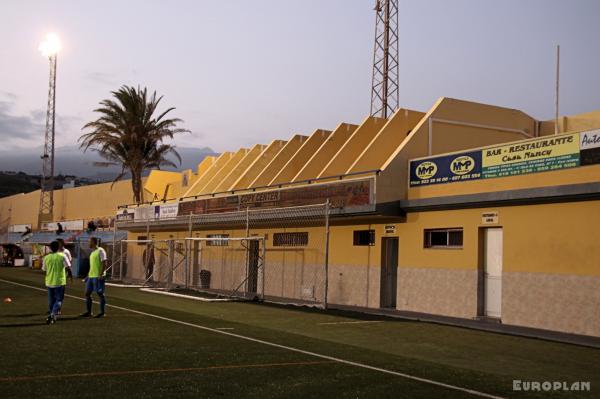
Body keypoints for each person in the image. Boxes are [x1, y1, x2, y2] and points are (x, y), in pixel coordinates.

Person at [42, 240, 71, 324]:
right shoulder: (62, 256)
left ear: (50, 248)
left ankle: (52, 316)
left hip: (49, 281)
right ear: (58, 247)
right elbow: (68, 267)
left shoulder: (46, 257)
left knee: (51, 300)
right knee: (59, 300)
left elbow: (44, 269)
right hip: (60, 282)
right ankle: (52, 314)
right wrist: (70, 276)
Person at [81, 237, 107, 318]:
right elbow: (92, 266)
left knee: (100, 293)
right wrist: (87, 277)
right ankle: (89, 312)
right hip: (91, 276)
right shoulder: (92, 253)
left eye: (89, 241)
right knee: (87, 293)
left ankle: (102, 312)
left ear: (94, 242)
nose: (88, 243)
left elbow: (104, 262)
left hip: (98, 276)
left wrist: (101, 274)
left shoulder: (100, 250)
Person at [56, 239, 73, 315]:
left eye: (58, 243)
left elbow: (69, 262)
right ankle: (54, 307)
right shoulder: (56, 251)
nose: (57, 244)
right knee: (54, 293)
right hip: (55, 274)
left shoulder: (66, 252)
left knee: (60, 294)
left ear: (62, 244)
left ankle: (58, 309)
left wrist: (69, 274)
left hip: (63, 274)